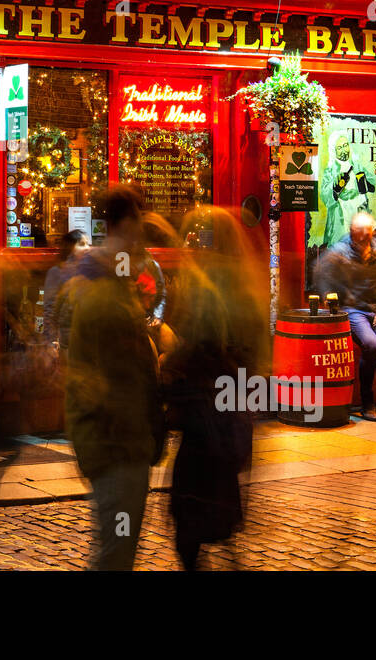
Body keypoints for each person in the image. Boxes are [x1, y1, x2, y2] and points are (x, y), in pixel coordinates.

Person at [65, 185, 165, 570]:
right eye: (141, 219)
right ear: (128, 222)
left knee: (119, 549)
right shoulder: (106, 292)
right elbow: (115, 377)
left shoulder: (111, 282)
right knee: (117, 554)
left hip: (118, 441)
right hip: (117, 443)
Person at [162, 206, 266, 570]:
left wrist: (172, 365)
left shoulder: (207, 284)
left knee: (192, 497)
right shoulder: (245, 286)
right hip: (231, 409)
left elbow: (195, 343)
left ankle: (194, 557)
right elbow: (253, 356)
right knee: (219, 490)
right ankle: (210, 546)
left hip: (205, 410)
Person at [314, 211, 376, 424]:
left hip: (374, 309)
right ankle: (367, 403)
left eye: (368, 230)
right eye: (360, 231)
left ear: (373, 231)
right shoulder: (339, 252)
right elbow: (320, 272)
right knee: (372, 345)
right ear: (352, 231)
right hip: (352, 309)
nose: (365, 235)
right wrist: (328, 296)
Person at [320, 133, 376, 247]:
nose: (343, 150)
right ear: (334, 150)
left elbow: (372, 184)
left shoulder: (357, 166)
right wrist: (336, 186)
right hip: (340, 217)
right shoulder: (330, 171)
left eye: (345, 145)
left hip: (358, 213)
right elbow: (325, 197)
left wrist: (363, 181)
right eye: (339, 147)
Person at [42, 229, 87, 346]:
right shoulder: (56, 272)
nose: (87, 248)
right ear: (70, 248)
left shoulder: (87, 273)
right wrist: (51, 341)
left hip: (84, 341)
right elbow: (50, 309)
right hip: (65, 341)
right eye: (82, 244)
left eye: (88, 244)